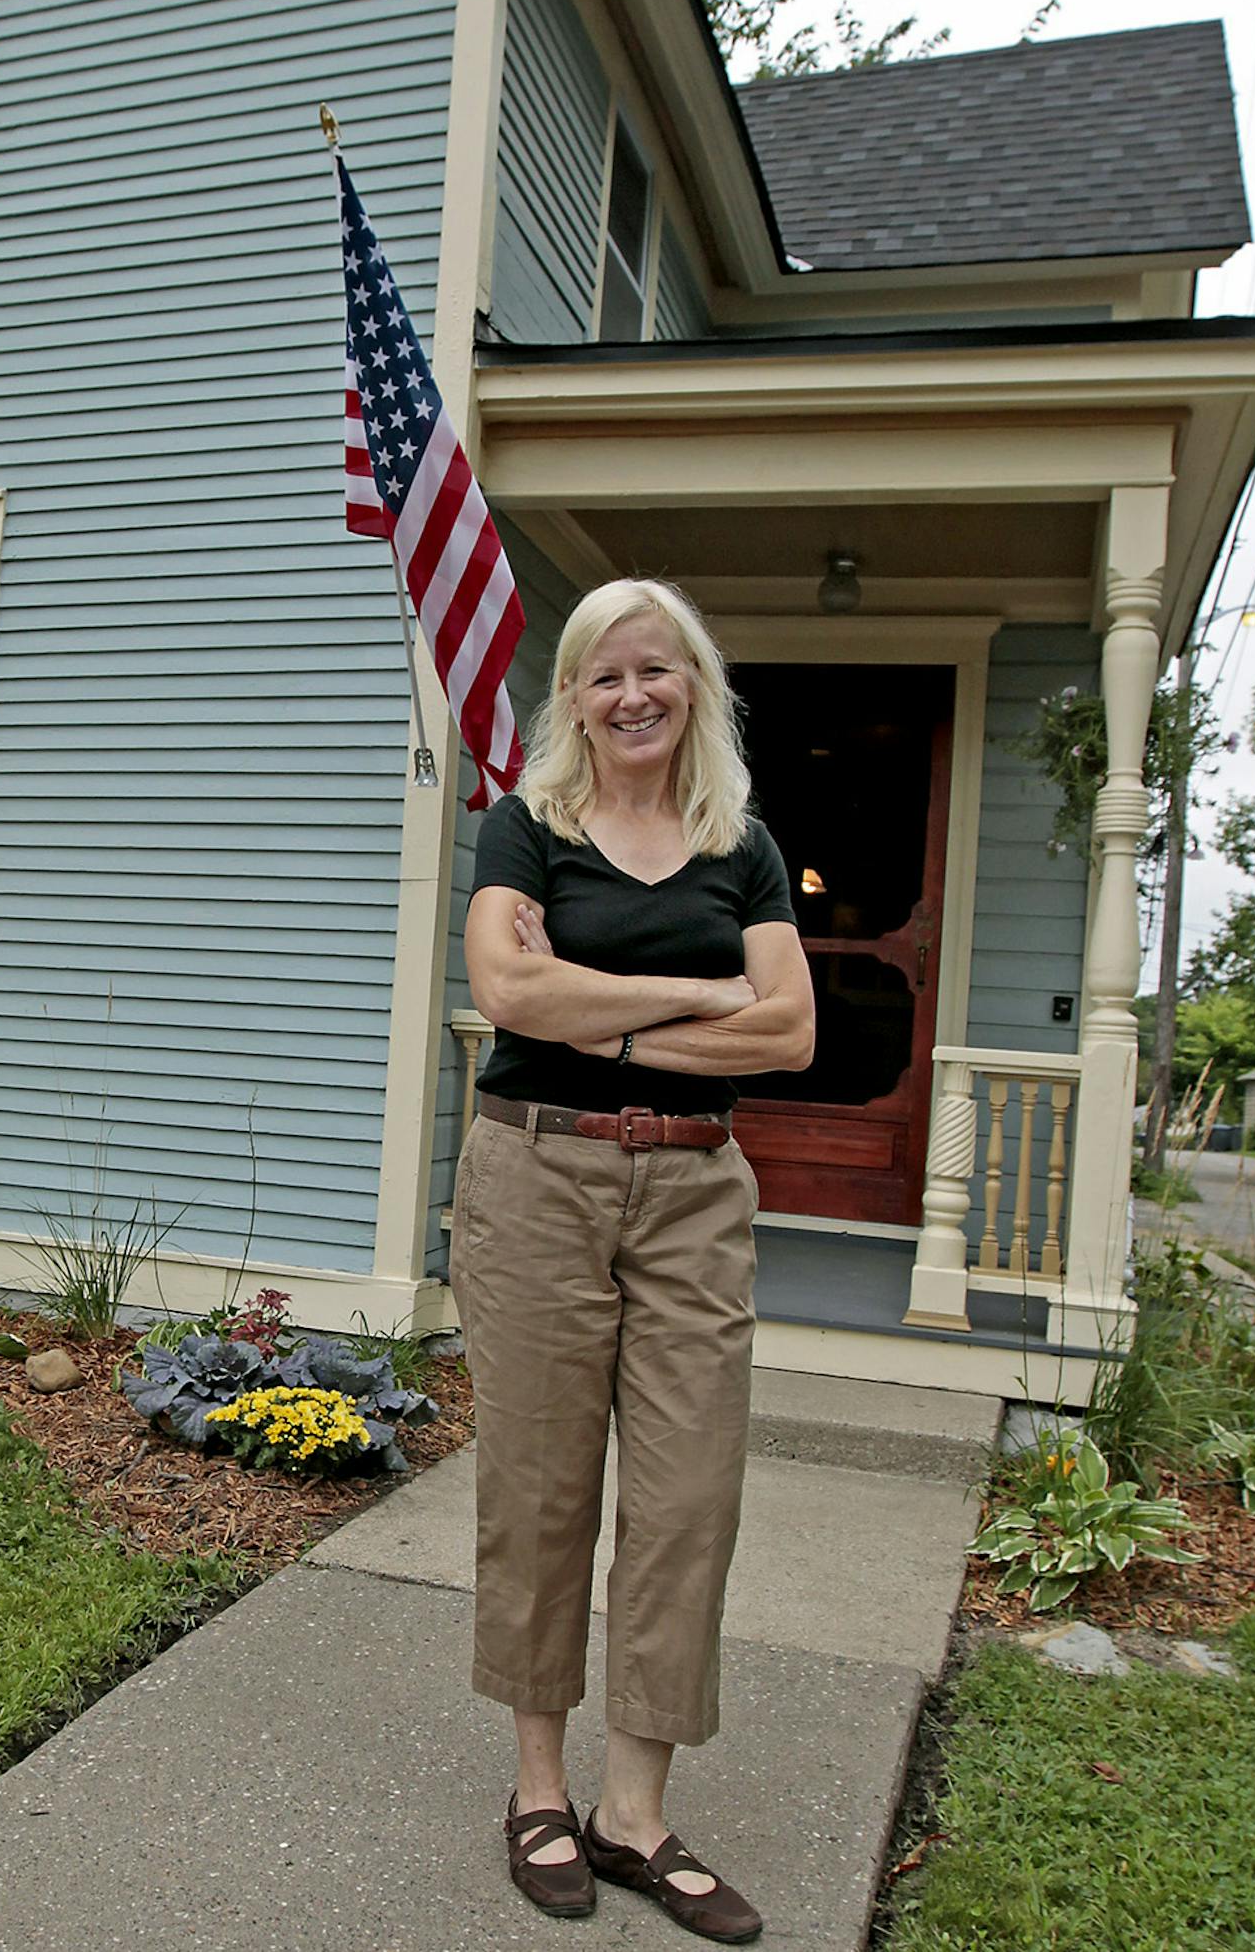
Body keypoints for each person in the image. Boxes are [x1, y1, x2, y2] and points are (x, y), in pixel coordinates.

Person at [454, 578, 815, 1939]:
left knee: (687, 1499)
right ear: (574, 697)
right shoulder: (527, 826)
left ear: (695, 684)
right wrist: (703, 993)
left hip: (695, 1190)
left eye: (656, 669)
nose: (633, 694)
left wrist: (593, 1010)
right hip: (539, 1172)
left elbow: (791, 1032)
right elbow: (507, 991)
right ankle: (540, 1790)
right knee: (542, 1489)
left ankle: (634, 1814)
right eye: (605, 674)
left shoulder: (744, 847)